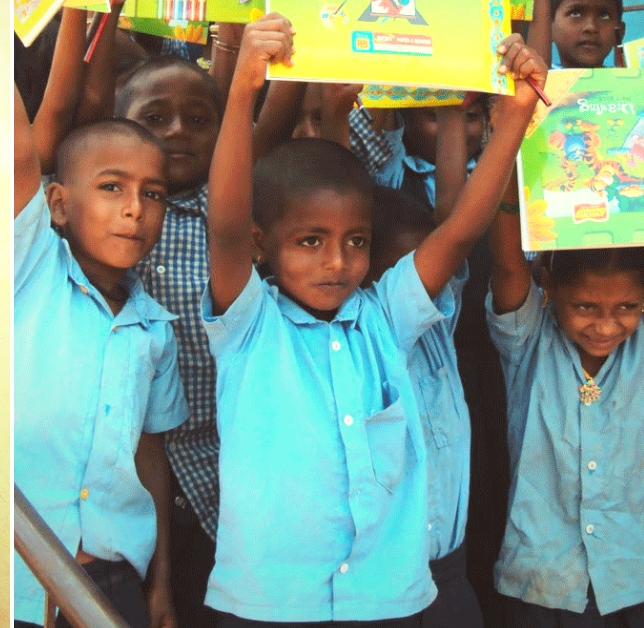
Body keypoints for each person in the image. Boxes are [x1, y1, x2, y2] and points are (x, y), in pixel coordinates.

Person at [202, 12, 544, 626]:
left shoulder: (387, 316)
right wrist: (242, 89)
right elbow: (224, 223)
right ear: (262, 246)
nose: (338, 262)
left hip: (389, 601)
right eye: (311, 241)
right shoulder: (251, 325)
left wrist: (516, 114)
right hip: (269, 606)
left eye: (356, 241)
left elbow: (462, 228)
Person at [13, 84, 187, 628]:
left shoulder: (156, 330)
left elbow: (150, 455)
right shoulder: (30, 268)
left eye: (153, 194)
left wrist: (160, 586)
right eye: (112, 187)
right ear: (59, 205)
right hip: (15, 574)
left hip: (115, 578)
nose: (134, 209)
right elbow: (22, 151)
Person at [487, 185, 644, 626]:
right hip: (543, 581)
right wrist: (516, 165)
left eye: (628, 307)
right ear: (549, 287)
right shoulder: (527, 341)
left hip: (632, 577)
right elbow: (505, 265)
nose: (607, 324)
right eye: (586, 306)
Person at [114, 54, 224, 628]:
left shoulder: (239, 219)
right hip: (129, 475)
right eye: (155, 118)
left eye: (199, 119)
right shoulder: (109, 218)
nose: (179, 131)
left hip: (220, 476)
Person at [365, 187, 484, 627]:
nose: (430, 281)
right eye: (412, 271)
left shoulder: (438, 329)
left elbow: (454, 228)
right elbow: (455, 236)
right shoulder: (373, 341)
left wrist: (451, 118)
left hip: (450, 573)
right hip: (386, 590)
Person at [531, 0, 625, 68]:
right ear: (549, 29)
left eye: (604, 16)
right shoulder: (533, 85)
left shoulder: (631, 86)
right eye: (575, 13)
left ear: (619, 33)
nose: (591, 27)